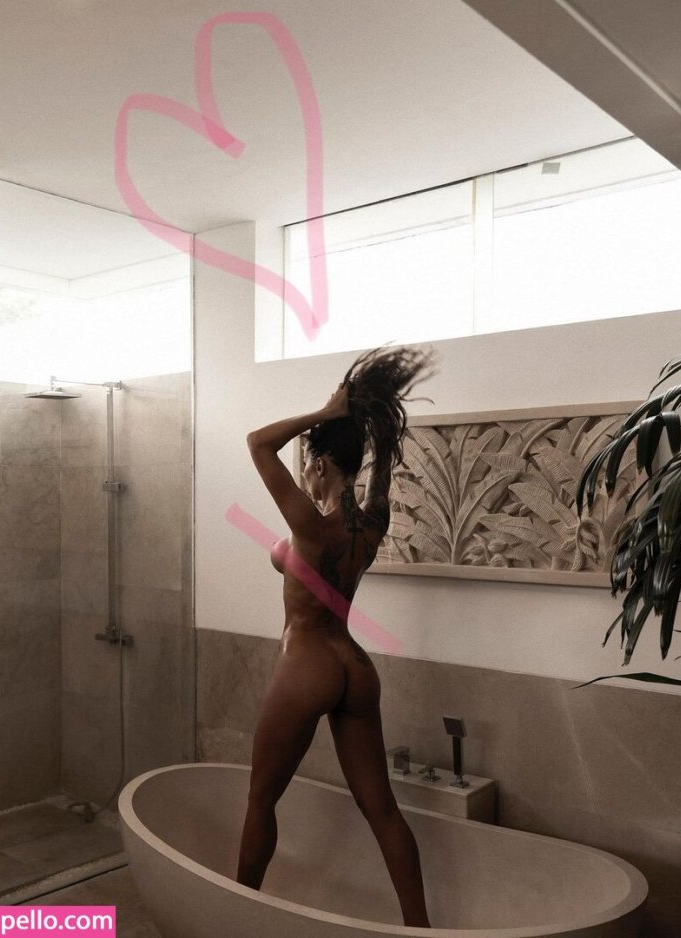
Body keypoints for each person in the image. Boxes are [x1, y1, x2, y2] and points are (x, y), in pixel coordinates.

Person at [236, 346, 435, 928]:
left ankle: (233, 916)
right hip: (354, 667)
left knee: (260, 799)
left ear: (320, 464)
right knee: (384, 812)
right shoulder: (371, 526)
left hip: (308, 664)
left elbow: (257, 443)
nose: (303, 471)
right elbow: (380, 480)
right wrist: (377, 437)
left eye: (308, 463)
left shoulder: (309, 525)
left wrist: (325, 414)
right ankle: (420, 929)